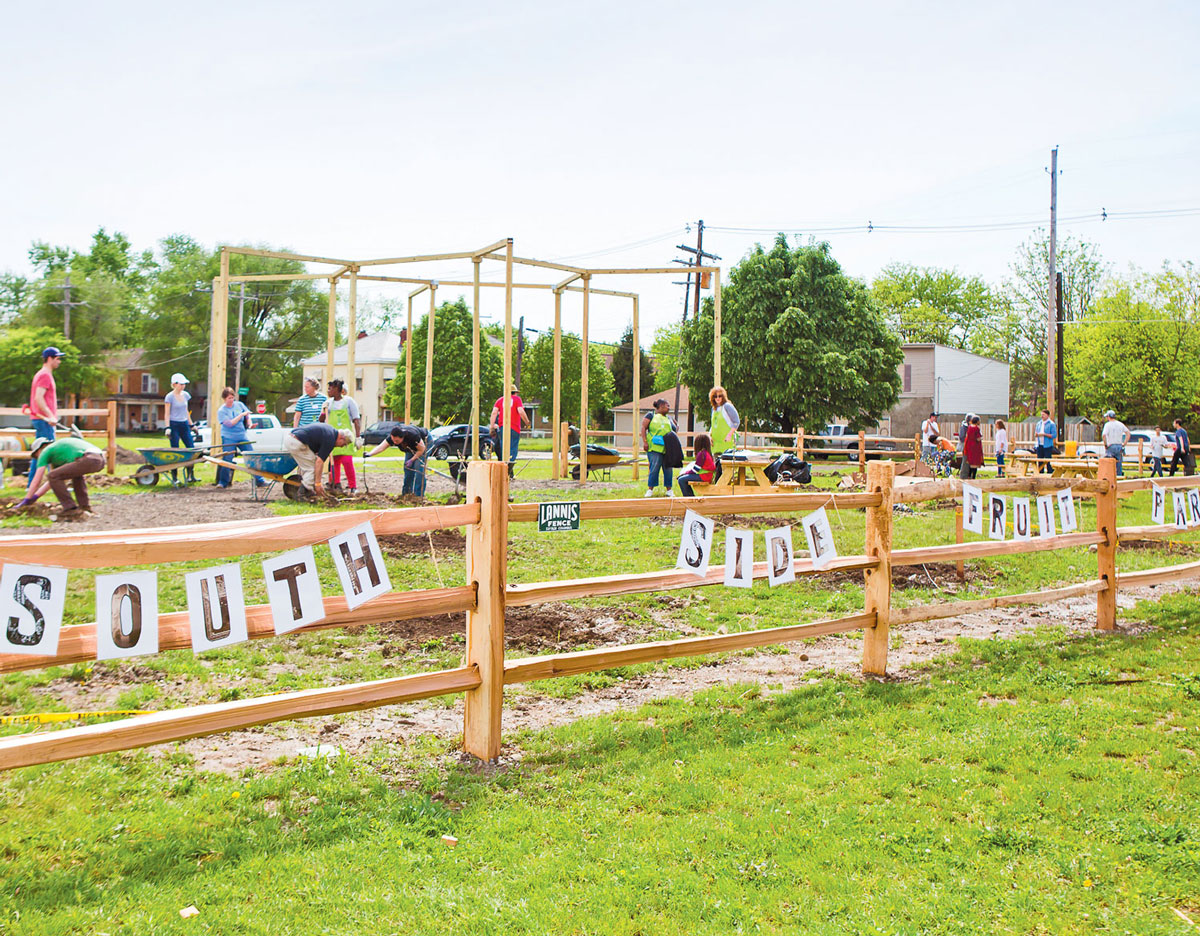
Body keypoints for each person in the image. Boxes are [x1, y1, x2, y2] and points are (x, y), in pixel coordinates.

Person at [18, 435, 105, 521]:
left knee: (53, 475)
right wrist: (35, 497)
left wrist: (27, 499)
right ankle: (84, 507)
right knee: (75, 476)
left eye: (36, 455)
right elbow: (51, 483)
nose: (37, 458)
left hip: (89, 458)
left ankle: (70, 508)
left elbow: (37, 480)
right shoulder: (58, 452)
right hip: (100, 459)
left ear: (40, 449)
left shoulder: (46, 451)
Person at [283, 422, 354, 499]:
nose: (341, 447)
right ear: (341, 438)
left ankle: (308, 490)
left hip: (291, 438)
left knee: (309, 466)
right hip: (296, 442)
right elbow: (319, 462)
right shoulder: (330, 439)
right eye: (343, 444)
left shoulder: (330, 431)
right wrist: (318, 484)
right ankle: (302, 494)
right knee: (313, 468)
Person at [26, 347, 62, 490]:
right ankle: (48, 483)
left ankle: (32, 485)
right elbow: (38, 398)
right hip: (44, 421)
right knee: (47, 453)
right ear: (49, 358)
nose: (59, 361)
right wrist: (50, 416)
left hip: (43, 420)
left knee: (41, 453)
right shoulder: (44, 375)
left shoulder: (43, 374)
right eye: (57, 358)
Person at [322, 379, 361, 494]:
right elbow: (322, 420)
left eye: (330, 388)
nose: (328, 391)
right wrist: (324, 411)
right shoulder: (328, 403)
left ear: (338, 390)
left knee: (347, 461)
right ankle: (335, 484)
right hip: (333, 437)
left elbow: (356, 420)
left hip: (346, 438)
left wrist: (358, 437)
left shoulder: (349, 401)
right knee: (334, 462)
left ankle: (353, 486)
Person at [366, 424, 429, 496]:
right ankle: (406, 495)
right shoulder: (392, 438)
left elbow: (421, 450)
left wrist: (412, 460)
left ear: (402, 438)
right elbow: (381, 447)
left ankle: (418, 496)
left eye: (396, 441)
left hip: (424, 443)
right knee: (408, 469)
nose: (394, 442)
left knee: (418, 468)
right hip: (410, 447)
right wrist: (369, 454)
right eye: (393, 440)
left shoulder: (412, 436)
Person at [215, 387, 252, 488]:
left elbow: (247, 415)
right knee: (227, 458)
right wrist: (241, 415)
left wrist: (249, 423)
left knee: (251, 455)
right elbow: (230, 424)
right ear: (224, 399)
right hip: (228, 436)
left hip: (241, 434)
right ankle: (223, 482)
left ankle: (259, 479)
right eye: (229, 398)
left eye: (232, 398)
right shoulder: (222, 411)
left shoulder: (239, 405)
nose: (231, 400)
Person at [489, 385, 531, 475]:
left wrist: (492, 426)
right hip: (514, 428)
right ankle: (508, 471)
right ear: (515, 392)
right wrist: (527, 422)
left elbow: (494, 413)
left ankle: (504, 471)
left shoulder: (500, 400)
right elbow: (520, 411)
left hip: (502, 427)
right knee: (512, 449)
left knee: (503, 448)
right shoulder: (517, 399)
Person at [641, 398, 677, 497]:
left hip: (667, 448)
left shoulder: (668, 418)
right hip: (654, 448)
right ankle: (650, 489)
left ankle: (669, 490)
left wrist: (675, 425)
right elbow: (643, 427)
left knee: (668, 469)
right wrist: (645, 442)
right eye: (667, 406)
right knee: (654, 468)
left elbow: (674, 430)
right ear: (661, 406)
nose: (669, 408)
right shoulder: (650, 415)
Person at [164, 373, 197, 484]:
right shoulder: (169, 397)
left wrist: (192, 425)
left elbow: (186, 411)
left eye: (184, 384)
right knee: (175, 450)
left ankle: (190, 475)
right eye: (181, 384)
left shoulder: (186, 395)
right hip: (174, 425)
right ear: (174, 384)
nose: (183, 386)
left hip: (184, 424)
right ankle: (175, 477)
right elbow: (167, 413)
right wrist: (167, 427)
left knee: (191, 449)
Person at [708, 387, 740, 481]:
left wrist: (729, 435)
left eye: (719, 396)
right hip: (716, 442)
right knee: (716, 465)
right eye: (715, 396)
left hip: (726, 442)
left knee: (727, 466)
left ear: (723, 396)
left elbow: (736, 422)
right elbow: (713, 425)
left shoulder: (727, 406)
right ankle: (717, 484)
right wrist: (709, 435)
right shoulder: (714, 409)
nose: (717, 398)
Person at [1101, 409, 1130, 477]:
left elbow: (1104, 435)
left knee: (1109, 464)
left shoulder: (1107, 425)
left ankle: (1109, 477)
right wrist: (1124, 443)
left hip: (1110, 446)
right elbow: (1128, 433)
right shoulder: (1120, 424)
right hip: (1119, 446)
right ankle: (1118, 477)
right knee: (1119, 464)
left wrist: (1105, 444)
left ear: (1108, 417)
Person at [1035, 408, 1057, 474]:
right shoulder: (1039, 423)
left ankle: (1049, 473)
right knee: (1040, 461)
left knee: (1048, 461)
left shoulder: (1051, 424)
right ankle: (1040, 473)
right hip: (1040, 444)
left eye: (1043, 415)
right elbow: (1036, 432)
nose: (1042, 416)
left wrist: (1044, 434)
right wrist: (1037, 435)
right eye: (1041, 414)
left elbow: (1054, 435)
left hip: (1047, 445)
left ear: (1047, 415)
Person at [961, 415, 983, 480]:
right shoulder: (976, 428)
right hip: (975, 448)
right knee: (975, 463)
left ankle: (969, 476)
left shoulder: (969, 427)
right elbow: (978, 438)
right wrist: (981, 438)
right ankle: (973, 477)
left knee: (970, 462)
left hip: (969, 447)